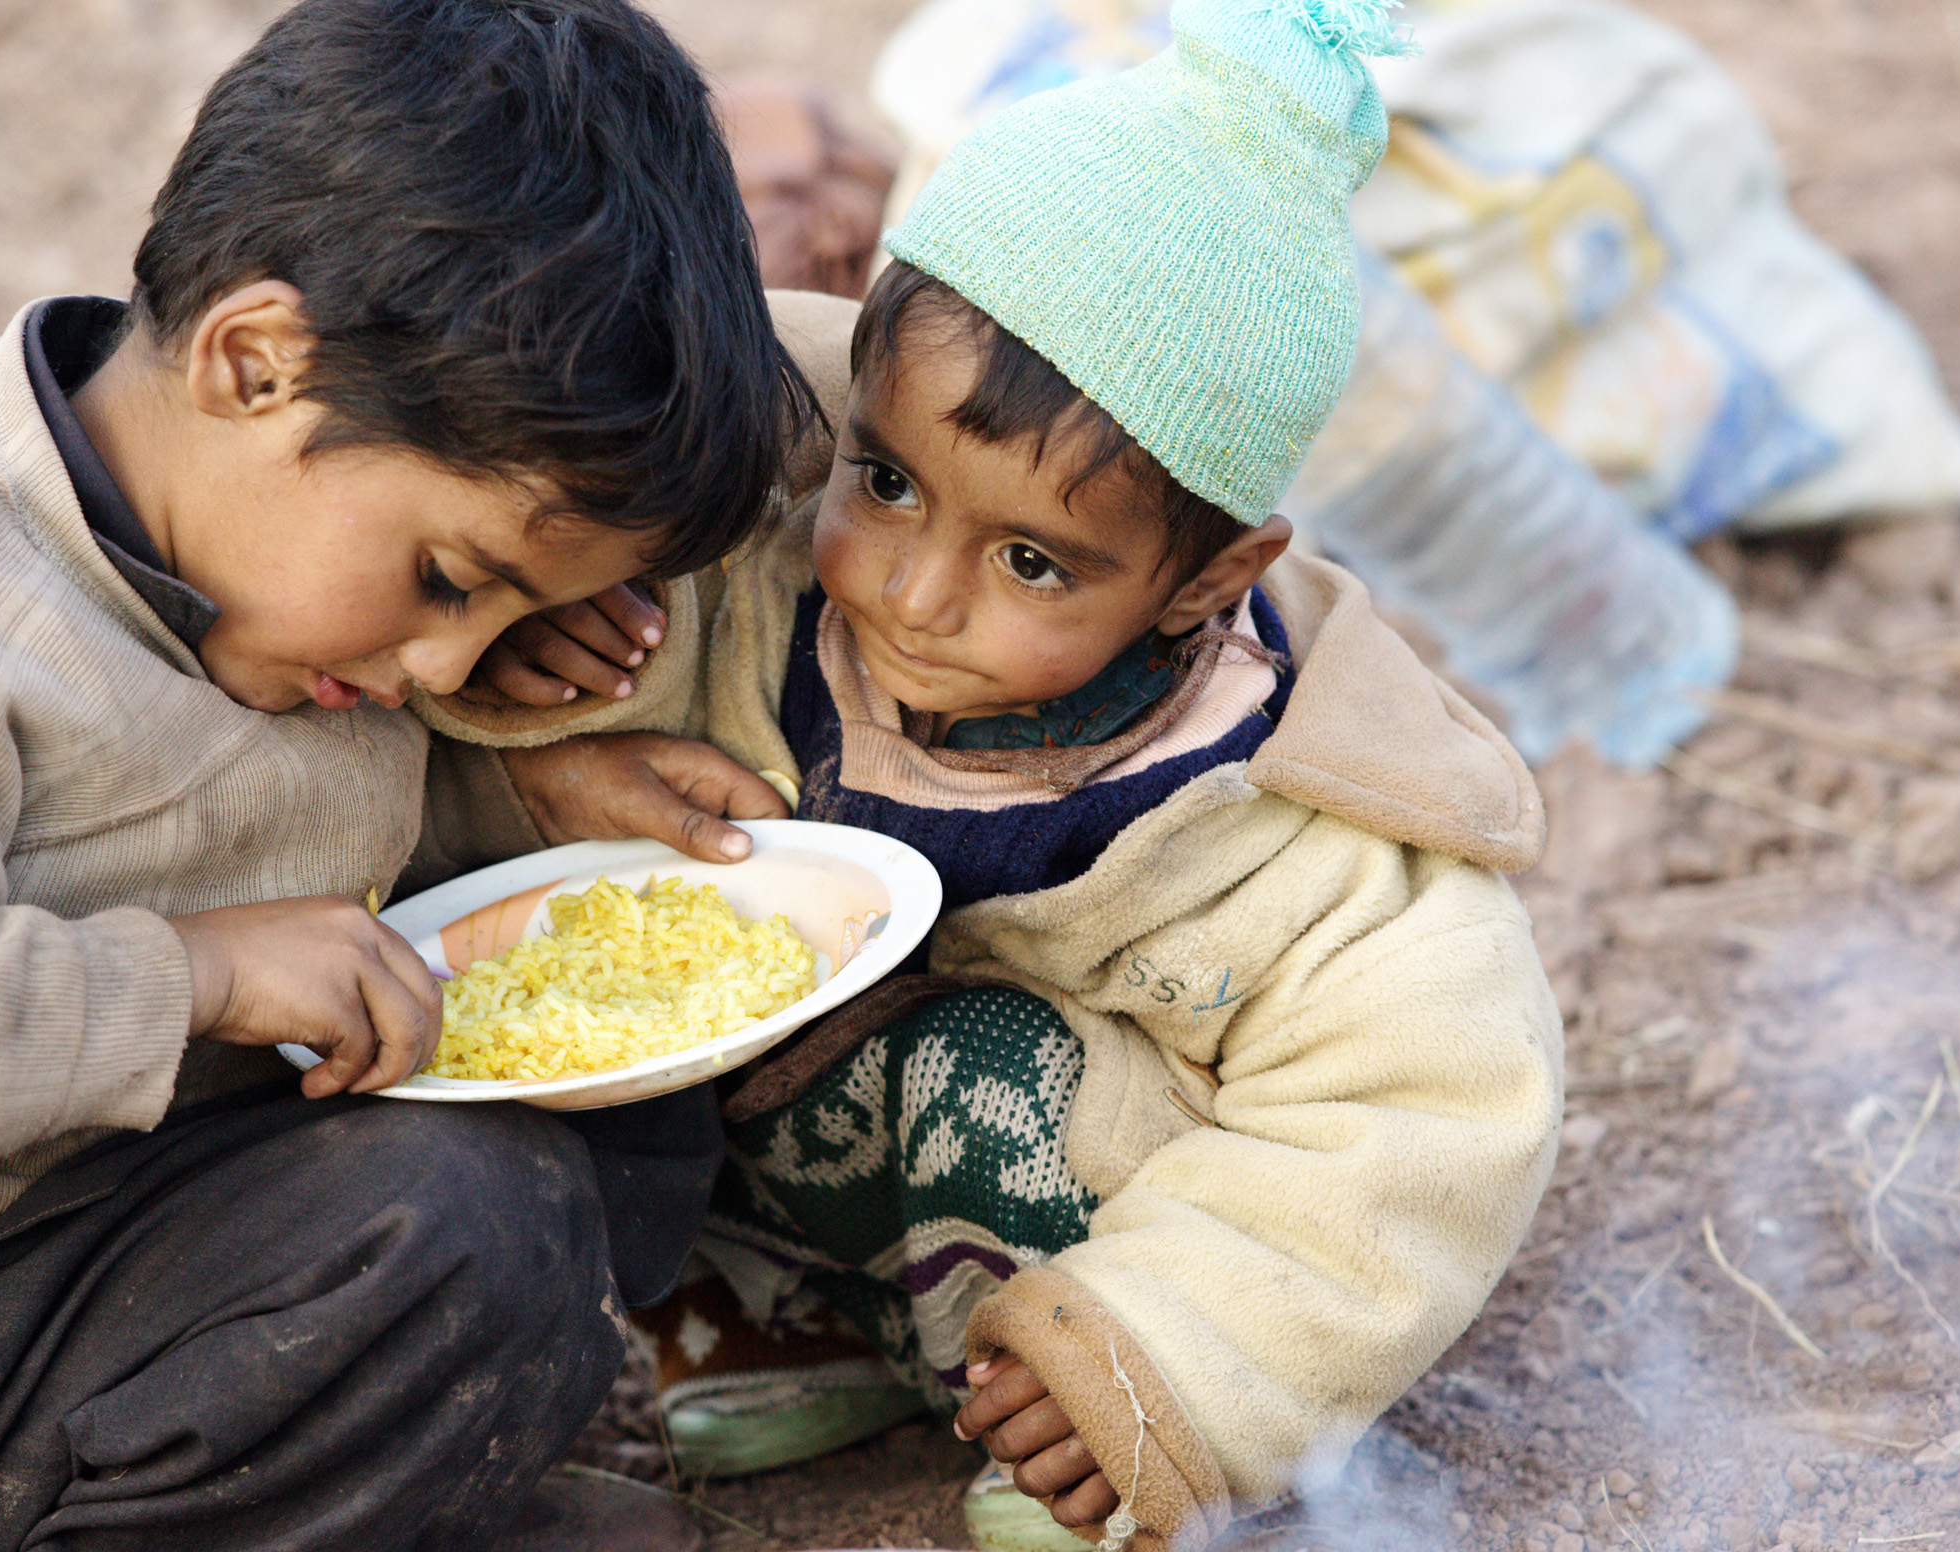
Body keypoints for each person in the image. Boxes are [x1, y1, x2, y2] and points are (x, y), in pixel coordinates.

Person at [0, 2, 822, 1548]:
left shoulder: (227, 521)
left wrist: (520, 782)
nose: (440, 662)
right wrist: (196, 977)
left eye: (507, 616)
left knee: (582, 1123)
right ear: (254, 363)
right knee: (458, 1236)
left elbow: (210, 805)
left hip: (63, 1229)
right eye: (444, 579)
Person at [467, 2, 1565, 1546]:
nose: (913, 594)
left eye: (1035, 561)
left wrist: (1175, 1352)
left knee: (988, 1057)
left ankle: (1084, 1418)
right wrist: (536, 692)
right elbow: (532, 553)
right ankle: (793, 1324)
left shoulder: (1282, 814)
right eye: (888, 481)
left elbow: (1419, 1118)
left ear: (1203, 580)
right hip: (792, 1176)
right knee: (646, 961)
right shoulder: (747, 570)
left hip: (1089, 1254)